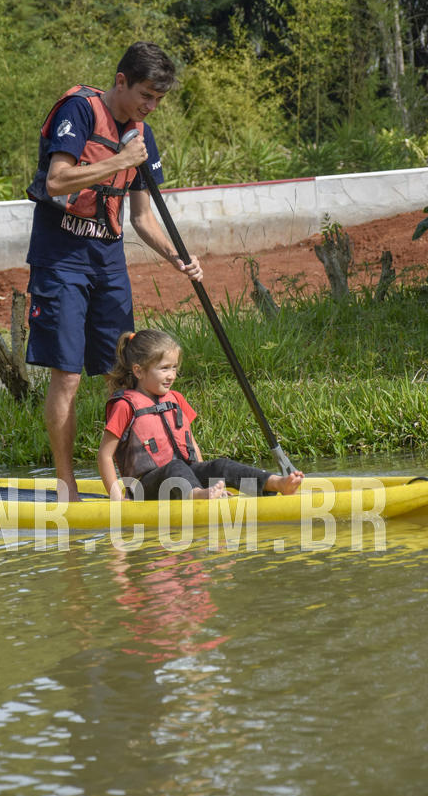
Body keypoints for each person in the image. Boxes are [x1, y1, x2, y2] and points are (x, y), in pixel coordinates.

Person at [25, 41, 203, 501]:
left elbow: (143, 218)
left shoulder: (142, 134)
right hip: (61, 254)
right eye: (145, 95)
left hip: (108, 257)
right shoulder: (79, 111)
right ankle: (66, 487)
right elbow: (57, 180)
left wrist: (178, 257)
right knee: (66, 373)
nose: (150, 107)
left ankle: (131, 478)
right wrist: (120, 160)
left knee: (123, 370)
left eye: (158, 100)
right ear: (121, 81)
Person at [98, 329, 305, 501]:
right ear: (139, 371)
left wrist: (206, 476)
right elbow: (105, 455)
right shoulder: (125, 406)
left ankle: (276, 483)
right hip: (145, 489)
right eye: (163, 369)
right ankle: (198, 495)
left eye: (174, 368)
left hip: (182, 479)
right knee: (176, 467)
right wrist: (117, 497)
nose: (171, 375)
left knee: (220, 465)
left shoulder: (175, 399)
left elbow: (192, 444)